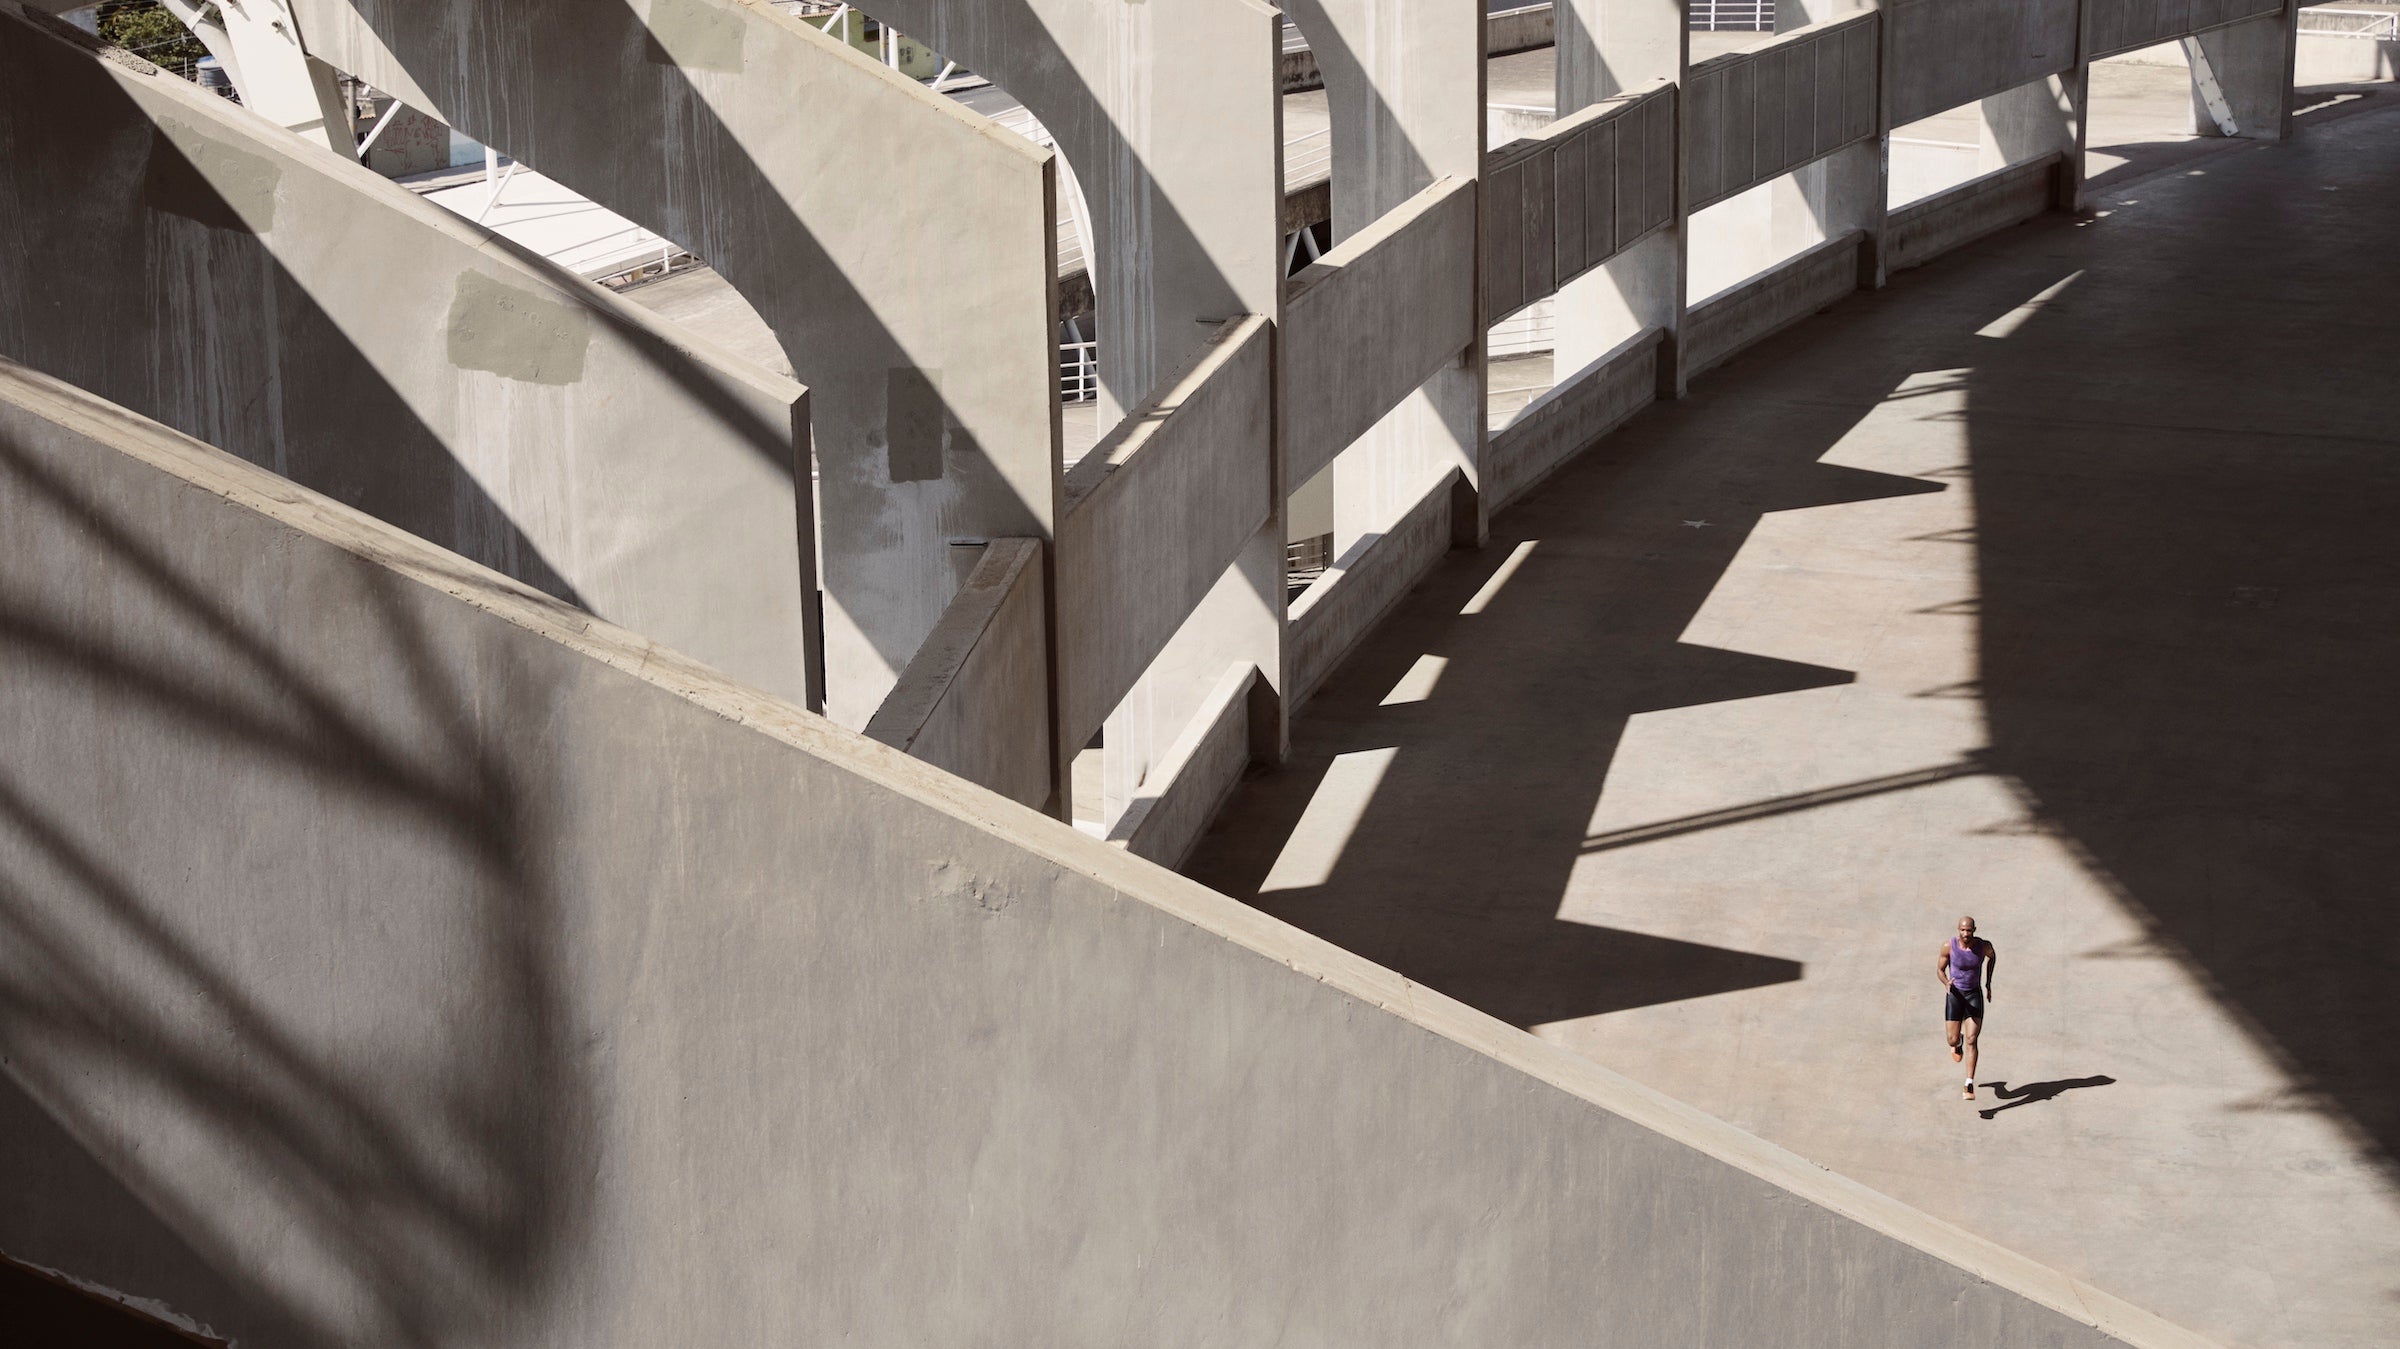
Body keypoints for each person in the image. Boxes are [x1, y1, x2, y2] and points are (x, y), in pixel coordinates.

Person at [1939, 915, 1996, 1100]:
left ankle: (1968, 1083)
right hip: (1955, 994)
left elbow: (1992, 957)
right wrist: (1946, 982)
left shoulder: (1983, 946)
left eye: (1969, 930)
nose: (1966, 934)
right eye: (1962, 930)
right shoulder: (1949, 946)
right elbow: (1939, 969)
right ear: (1958, 930)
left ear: (1974, 930)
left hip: (1973, 994)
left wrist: (1987, 983)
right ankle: (1958, 1043)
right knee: (1951, 1040)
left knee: (1973, 1039)